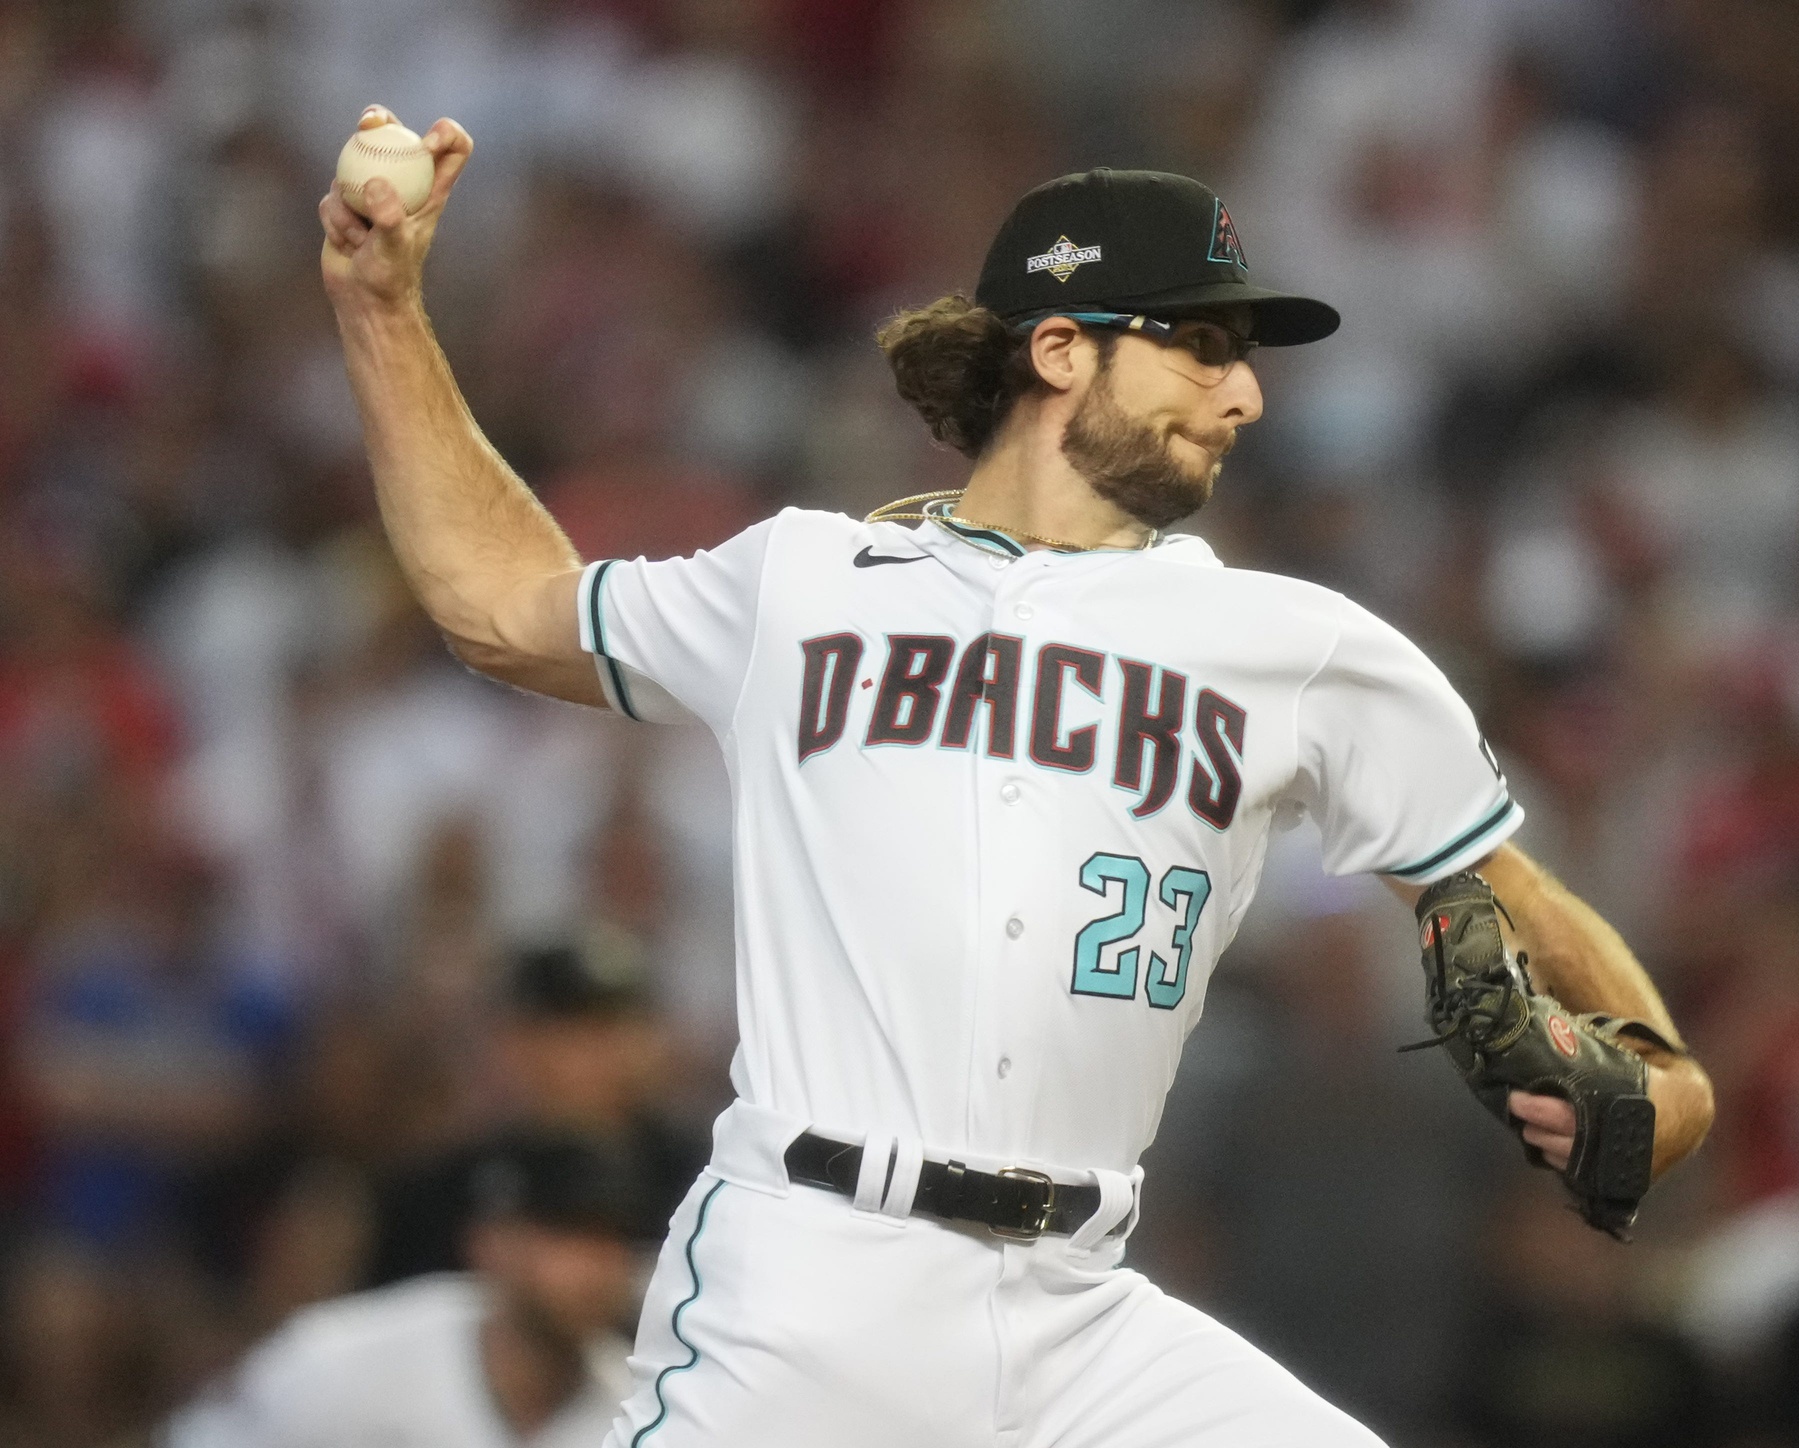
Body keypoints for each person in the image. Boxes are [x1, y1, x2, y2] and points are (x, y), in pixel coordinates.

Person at [317, 104, 1715, 1447]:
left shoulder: (1302, 649)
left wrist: (1664, 1074)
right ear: (1060, 349)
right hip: (814, 1274)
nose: (1247, 391)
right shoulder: (806, 582)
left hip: (1085, 1312)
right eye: (1202, 343)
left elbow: (1503, 886)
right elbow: (500, 607)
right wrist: (383, 313)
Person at [160, 1128, 641, 1448]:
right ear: (490, 1245)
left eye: (611, 1241)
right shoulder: (342, 1359)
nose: (593, 1267)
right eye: (565, 1237)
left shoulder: (644, 1412)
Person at [367, 933, 707, 1286]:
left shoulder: (704, 1177)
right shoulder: (438, 1197)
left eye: (617, 1027)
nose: (603, 1052)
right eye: (572, 1031)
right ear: (513, 1044)